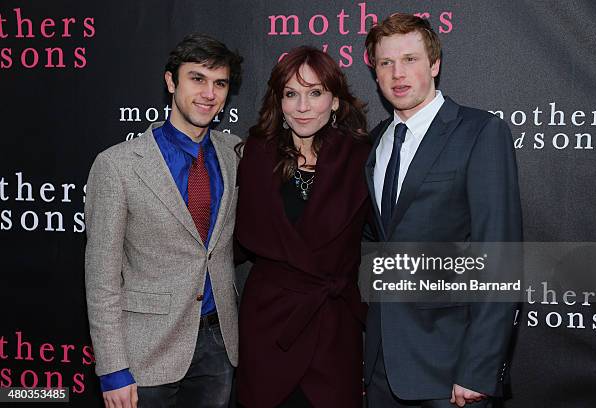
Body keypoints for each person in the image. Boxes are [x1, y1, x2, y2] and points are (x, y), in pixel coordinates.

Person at [363, 14, 522, 408]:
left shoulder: (480, 132)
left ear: (434, 64)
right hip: (381, 369)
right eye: (386, 63)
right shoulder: (375, 141)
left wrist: (479, 369)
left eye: (410, 59)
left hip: (451, 372)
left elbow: (499, 255)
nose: (398, 73)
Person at [84, 34, 243, 408]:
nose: (209, 93)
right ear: (171, 82)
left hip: (219, 347)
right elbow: (101, 278)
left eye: (219, 83)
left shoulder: (235, 153)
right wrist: (112, 369)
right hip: (145, 353)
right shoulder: (117, 165)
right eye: (197, 79)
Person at [235, 46, 371, 408]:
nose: (303, 106)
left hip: (333, 324)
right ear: (279, 102)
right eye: (291, 94)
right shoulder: (253, 156)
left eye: (315, 93)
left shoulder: (362, 157)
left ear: (335, 101)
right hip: (269, 322)